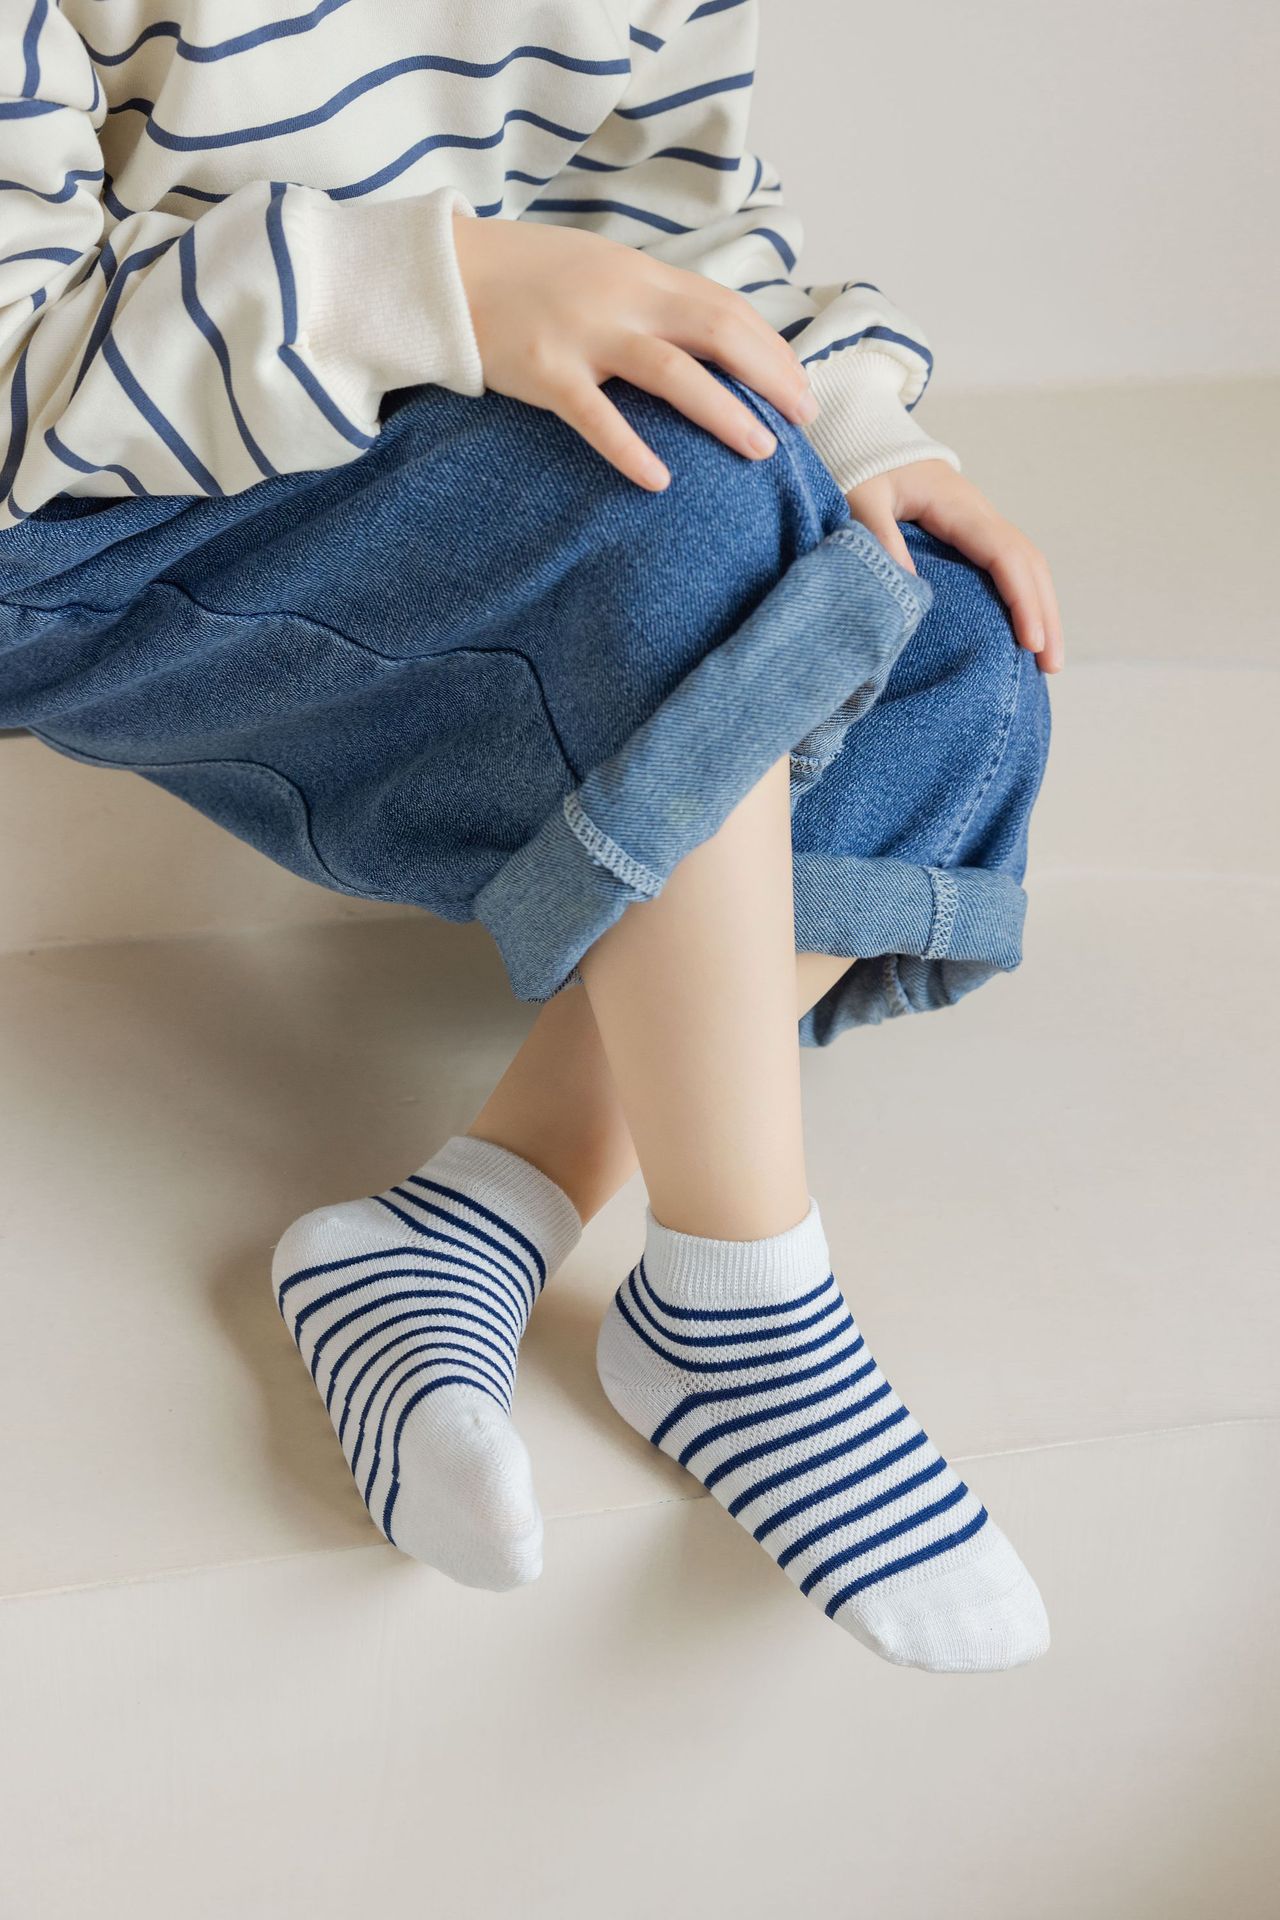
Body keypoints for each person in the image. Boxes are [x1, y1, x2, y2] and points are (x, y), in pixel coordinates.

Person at [0, 2, 1060, 1670]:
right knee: (685, 519)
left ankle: (477, 1220)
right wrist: (435, 286)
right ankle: (745, 1299)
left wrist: (862, 426)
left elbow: (667, 217)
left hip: (396, 447)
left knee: (953, 650)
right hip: (69, 516)